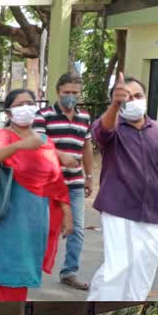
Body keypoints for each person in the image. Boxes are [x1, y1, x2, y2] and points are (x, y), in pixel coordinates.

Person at [88, 74, 158, 300]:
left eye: (138, 95)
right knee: (118, 268)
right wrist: (114, 106)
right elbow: (101, 132)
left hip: (151, 213)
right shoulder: (112, 128)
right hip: (118, 209)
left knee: (143, 270)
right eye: (125, 98)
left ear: (146, 98)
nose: (134, 101)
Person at [0, 89, 74, 301]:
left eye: (29, 103)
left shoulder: (44, 141)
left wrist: (67, 213)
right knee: (11, 272)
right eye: (19, 104)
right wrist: (20, 145)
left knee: (25, 270)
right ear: (9, 112)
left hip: (36, 219)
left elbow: (56, 180)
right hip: (8, 217)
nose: (26, 107)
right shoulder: (1, 135)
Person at [33, 73, 94, 291]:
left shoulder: (84, 117)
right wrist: (59, 156)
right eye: (67, 92)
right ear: (58, 92)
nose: (71, 97)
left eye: (75, 93)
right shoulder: (44, 116)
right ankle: (29, 268)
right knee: (43, 228)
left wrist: (89, 176)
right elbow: (38, 144)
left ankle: (70, 271)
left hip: (75, 183)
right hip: (48, 183)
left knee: (76, 229)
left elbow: (87, 147)